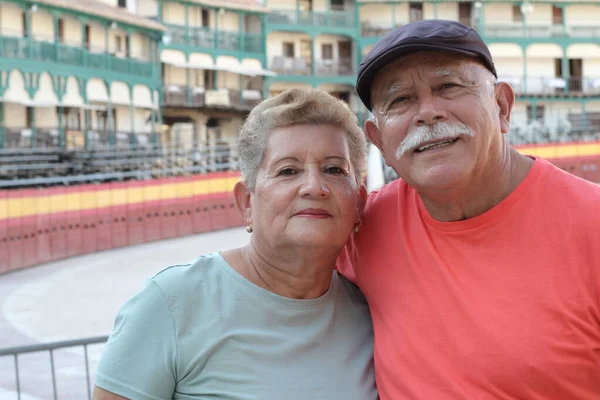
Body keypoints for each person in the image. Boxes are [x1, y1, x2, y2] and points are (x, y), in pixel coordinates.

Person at [338, 19, 600, 400]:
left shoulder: (591, 226)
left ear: (502, 106)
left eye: (448, 87)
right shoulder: (362, 227)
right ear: (379, 142)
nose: (428, 113)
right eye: (400, 100)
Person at [93, 88, 377, 400]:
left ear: (359, 203)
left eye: (334, 169)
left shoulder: (369, 313)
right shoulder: (173, 304)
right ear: (246, 202)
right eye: (288, 170)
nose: (314, 186)